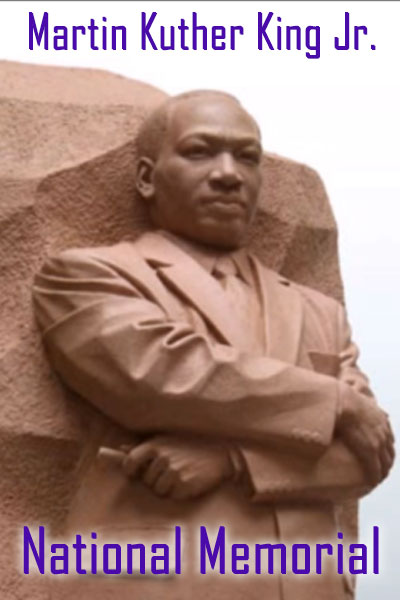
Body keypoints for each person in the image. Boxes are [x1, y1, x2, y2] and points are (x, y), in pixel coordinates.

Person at [33, 90, 394, 598]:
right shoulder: (86, 277)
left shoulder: (320, 313)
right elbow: (162, 375)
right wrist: (333, 402)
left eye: (248, 157)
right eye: (200, 151)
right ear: (146, 177)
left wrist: (233, 461)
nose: (229, 173)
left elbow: (366, 456)